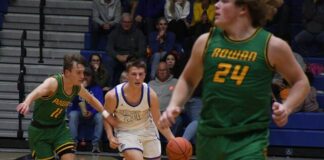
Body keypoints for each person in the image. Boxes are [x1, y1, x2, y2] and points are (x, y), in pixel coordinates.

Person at [159, 0, 310, 159]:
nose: (216, 5)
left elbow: (301, 82)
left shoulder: (271, 46)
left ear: (243, 8)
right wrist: (174, 104)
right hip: (210, 139)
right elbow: (188, 79)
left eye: (224, 1)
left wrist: (287, 107)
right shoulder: (205, 42)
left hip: (249, 141)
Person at [16, 54, 117, 160]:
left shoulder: (77, 87)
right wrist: (27, 102)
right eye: (78, 72)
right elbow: (36, 92)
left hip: (59, 129)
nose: (82, 76)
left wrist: (106, 114)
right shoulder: (53, 83)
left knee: (69, 157)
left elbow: (91, 100)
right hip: (40, 131)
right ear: (67, 72)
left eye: (83, 72)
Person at [103, 58, 174, 159]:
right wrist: (110, 136)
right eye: (134, 74)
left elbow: (158, 120)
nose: (137, 77)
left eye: (141, 74)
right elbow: (106, 115)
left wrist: (172, 139)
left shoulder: (151, 95)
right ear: (127, 75)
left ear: (145, 75)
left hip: (148, 131)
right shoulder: (113, 96)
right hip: (125, 132)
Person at [68, 67, 104, 153]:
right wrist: (80, 89)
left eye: (88, 75)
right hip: (79, 114)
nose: (85, 77)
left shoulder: (97, 88)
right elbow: (70, 102)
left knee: (100, 116)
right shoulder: (76, 87)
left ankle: (96, 144)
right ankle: (73, 143)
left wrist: (92, 112)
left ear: (92, 77)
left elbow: (101, 105)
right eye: (84, 75)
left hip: (93, 115)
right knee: (73, 115)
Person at [106, 12, 147, 86]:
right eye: (125, 22)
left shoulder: (138, 33)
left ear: (132, 23)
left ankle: (141, 86)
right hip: (118, 58)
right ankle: (110, 86)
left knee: (142, 61)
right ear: (121, 22)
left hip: (133, 57)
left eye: (129, 22)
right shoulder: (114, 33)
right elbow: (109, 48)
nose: (126, 24)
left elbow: (142, 50)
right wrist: (117, 56)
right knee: (108, 60)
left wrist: (129, 57)